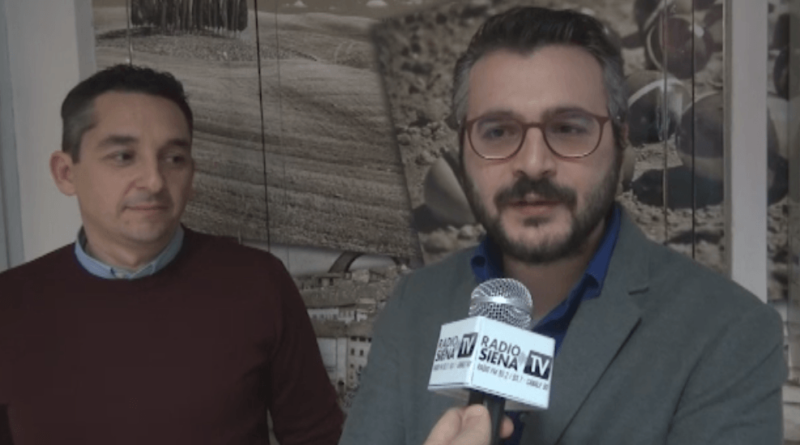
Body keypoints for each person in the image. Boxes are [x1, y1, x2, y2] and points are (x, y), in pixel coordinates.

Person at [340, 6, 786, 445]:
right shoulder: (412, 306)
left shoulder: (730, 333)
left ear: (621, 139)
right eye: (498, 131)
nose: (534, 164)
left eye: (568, 128)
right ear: (463, 147)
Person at [0, 64, 343, 445]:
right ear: (66, 173)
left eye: (174, 158)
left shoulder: (258, 283)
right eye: (123, 156)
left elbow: (319, 437)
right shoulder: (10, 304)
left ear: (192, 175)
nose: (154, 180)